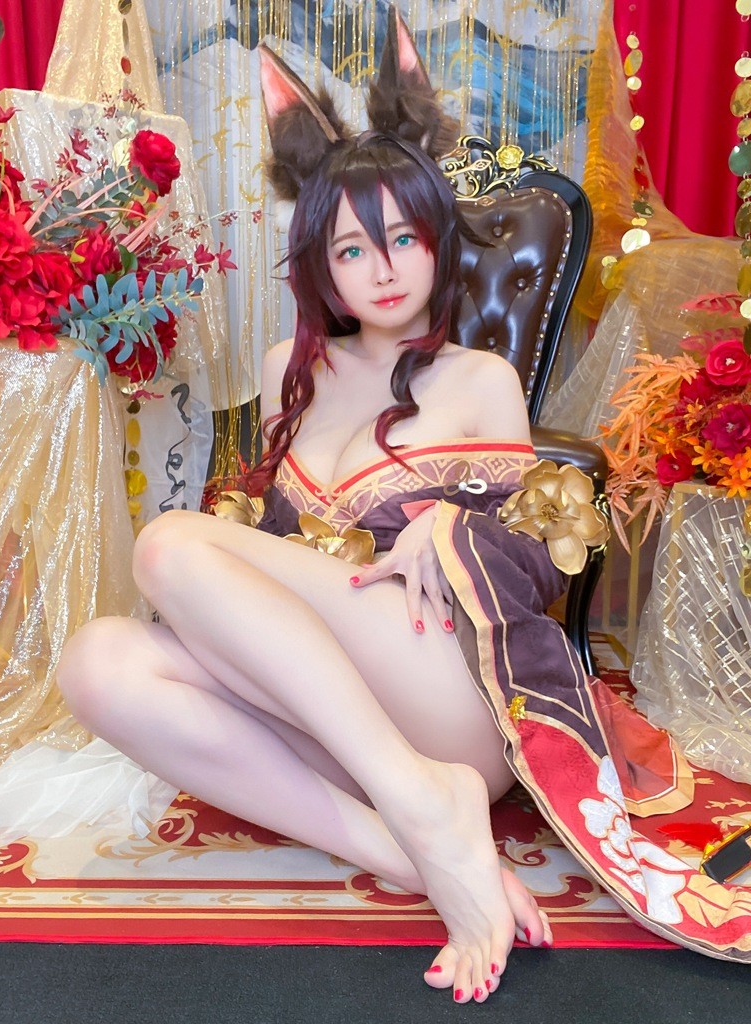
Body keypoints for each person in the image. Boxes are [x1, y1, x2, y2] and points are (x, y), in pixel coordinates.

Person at [57, 7, 751, 998]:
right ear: (321, 266)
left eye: (401, 238)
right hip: (339, 707)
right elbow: (260, 558)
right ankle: (415, 845)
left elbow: (545, 554)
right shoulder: (285, 370)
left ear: (439, 241)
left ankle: (430, 795)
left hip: (449, 689)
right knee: (98, 662)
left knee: (168, 543)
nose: (380, 268)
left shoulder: (478, 378)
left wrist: (453, 524)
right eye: (349, 250)